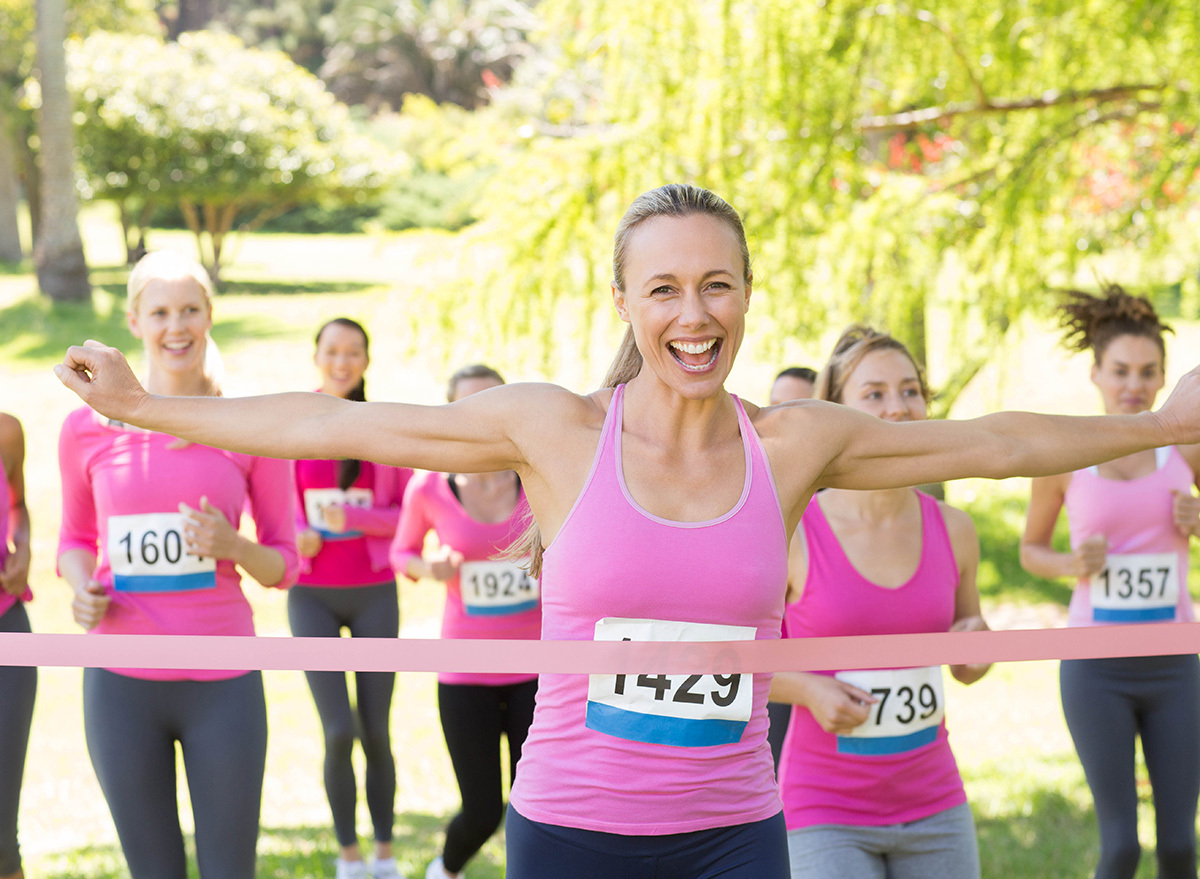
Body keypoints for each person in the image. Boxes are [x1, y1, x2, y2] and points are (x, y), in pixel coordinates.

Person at [54, 184, 1200, 879]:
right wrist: (146, 405)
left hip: (737, 835)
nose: (693, 317)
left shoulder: (794, 444)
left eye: (717, 287)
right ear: (623, 304)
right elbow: (326, 415)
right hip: (571, 833)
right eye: (663, 291)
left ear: (748, 294)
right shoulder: (553, 430)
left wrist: (1157, 423)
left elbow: (993, 443)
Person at [56, 251, 299, 879]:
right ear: (135, 322)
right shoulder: (84, 430)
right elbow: (75, 540)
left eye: (190, 309)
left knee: (228, 871)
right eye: (160, 311)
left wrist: (235, 547)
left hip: (224, 681)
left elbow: (285, 564)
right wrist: (81, 585)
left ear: (210, 315)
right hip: (119, 681)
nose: (177, 325)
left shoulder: (251, 426)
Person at [772, 326, 991, 879]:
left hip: (936, 801)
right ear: (836, 410)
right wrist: (806, 687)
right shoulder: (794, 532)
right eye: (874, 394)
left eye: (911, 390)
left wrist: (977, 642)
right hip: (824, 810)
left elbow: (968, 645)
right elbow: (735, 660)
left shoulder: (956, 529)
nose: (898, 407)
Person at [1020, 285, 1200, 879]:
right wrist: (1071, 564)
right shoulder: (1068, 458)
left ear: (1163, 379)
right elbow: (1031, 551)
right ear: (1096, 373)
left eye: (1148, 373)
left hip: (1179, 663)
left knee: (1179, 846)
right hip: (1096, 668)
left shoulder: (1187, 451)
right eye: (1120, 371)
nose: (1134, 385)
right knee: (1120, 847)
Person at [389, 364, 539, 879]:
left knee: (539, 805)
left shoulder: (539, 478)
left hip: (539, 672)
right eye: (470, 406)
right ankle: (444, 870)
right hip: (465, 674)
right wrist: (429, 567)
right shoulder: (428, 488)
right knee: (482, 809)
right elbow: (400, 553)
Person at [290, 318, 412, 879]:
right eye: (332, 351)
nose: (342, 362)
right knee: (339, 730)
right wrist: (297, 531)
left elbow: (406, 518)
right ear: (316, 356)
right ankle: (348, 855)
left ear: (366, 359)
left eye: (353, 352)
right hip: (312, 596)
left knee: (376, 729)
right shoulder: (291, 423)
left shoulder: (381, 428)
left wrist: (354, 517)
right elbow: (271, 506)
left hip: (373, 596)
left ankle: (384, 853)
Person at [765, 365, 817, 772]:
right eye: (775, 404)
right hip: (766, 672)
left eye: (796, 407)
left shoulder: (838, 501)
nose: (781, 417)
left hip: (821, 668)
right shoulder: (751, 482)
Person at [0, 412, 33, 879]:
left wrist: (23, 547)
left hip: (8, 630)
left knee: (2, 836)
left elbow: (19, 505)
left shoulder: (6, 430)